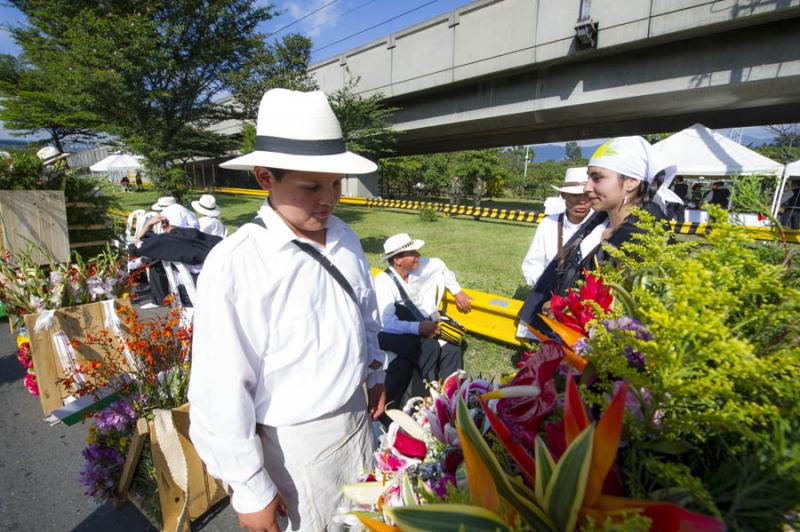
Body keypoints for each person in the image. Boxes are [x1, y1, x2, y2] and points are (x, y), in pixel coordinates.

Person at [188, 88, 386, 532]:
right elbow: (219, 387)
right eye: (310, 186)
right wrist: (250, 487)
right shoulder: (238, 261)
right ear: (265, 177)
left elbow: (365, 315)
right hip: (297, 447)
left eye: (335, 183)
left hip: (356, 421)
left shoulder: (346, 239)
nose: (328, 198)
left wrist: (374, 373)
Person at [518, 136, 678, 332]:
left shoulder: (646, 237)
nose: (587, 188)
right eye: (588, 178)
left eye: (597, 178)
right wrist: (560, 304)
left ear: (632, 181)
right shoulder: (599, 222)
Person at [373, 233, 471, 422]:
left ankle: (451, 399)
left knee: (452, 350)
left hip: (420, 326)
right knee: (426, 350)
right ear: (398, 260)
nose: (418, 255)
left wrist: (457, 291)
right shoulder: (383, 282)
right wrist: (419, 328)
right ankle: (420, 404)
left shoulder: (420, 267)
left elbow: (441, 267)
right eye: (412, 253)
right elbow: (387, 323)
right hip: (391, 334)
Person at [521, 167, 592, 288]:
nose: (582, 201)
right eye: (575, 195)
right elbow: (533, 265)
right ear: (564, 195)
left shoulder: (601, 226)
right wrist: (545, 289)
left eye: (587, 195)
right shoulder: (548, 224)